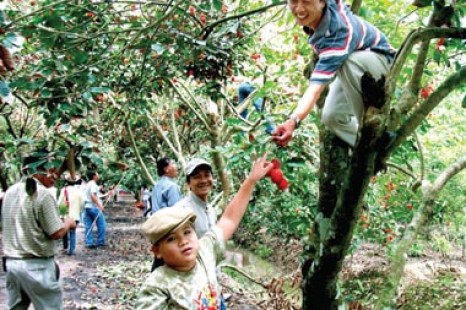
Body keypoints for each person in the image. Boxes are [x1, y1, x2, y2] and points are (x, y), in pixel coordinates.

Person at [135, 154, 272, 309]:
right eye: (171, 239)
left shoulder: (205, 251)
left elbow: (228, 220)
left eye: (187, 232)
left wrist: (251, 180)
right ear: (157, 251)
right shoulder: (157, 287)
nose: (183, 241)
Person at [272, 0, 396, 148]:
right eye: (293, 1)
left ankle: (373, 132)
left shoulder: (338, 33)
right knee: (331, 117)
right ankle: (370, 146)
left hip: (380, 63)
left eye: (306, 2)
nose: (299, 9)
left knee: (350, 61)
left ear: (322, 2)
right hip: (353, 69)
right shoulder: (324, 14)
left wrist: (293, 120)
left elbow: (315, 90)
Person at [2, 151, 77, 309]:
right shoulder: (42, 194)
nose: (55, 174)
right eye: (52, 170)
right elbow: (55, 233)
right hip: (36, 267)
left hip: (12, 264)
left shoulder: (10, 192)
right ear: (40, 171)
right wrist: (69, 223)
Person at [149, 158, 215, 272]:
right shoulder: (182, 210)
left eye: (207, 175)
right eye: (197, 177)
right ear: (188, 183)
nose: (203, 180)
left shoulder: (210, 210)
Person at [57, 172, 84, 256]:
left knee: (64, 231)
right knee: (73, 232)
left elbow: (59, 203)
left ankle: (65, 247)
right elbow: (82, 203)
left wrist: (61, 214)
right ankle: (71, 250)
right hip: (75, 215)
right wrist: (79, 211)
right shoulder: (78, 191)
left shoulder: (64, 190)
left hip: (65, 214)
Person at [83, 171, 107, 249]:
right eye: (97, 174)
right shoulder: (93, 184)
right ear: (94, 176)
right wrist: (100, 206)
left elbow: (97, 196)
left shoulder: (88, 184)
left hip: (87, 207)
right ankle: (100, 242)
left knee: (88, 225)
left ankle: (88, 243)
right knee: (102, 225)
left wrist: (107, 194)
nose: (98, 175)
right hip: (94, 207)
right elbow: (93, 196)